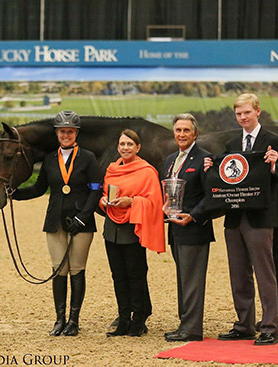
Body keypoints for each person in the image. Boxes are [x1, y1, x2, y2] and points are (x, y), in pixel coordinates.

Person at [204, 93, 278, 346]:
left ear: (258, 111)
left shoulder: (273, 141)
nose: (243, 117)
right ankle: (244, 325)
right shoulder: (231, 144)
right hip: (234, 217)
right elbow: (228, 177)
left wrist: (274, 165)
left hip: (260, 217)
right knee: (238, 273)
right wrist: (211, 168)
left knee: (265, 273)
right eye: (239, 114)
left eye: (247, 113)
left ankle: (270, 328)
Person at [12, 110, 102, 337]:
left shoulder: (88, 158)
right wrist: (14, 194)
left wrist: (83, 217)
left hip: (81, 222)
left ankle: (74, 320)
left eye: (70, 131)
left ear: (76, 133)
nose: (66, 135)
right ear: (57, 133)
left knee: (77, 269)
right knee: (58, 270)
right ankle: (59, 319)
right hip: (55, 221)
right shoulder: (51, 159)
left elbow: (95, 190)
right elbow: (39, 188)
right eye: (62, 131)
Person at [100, 129, 165, 337]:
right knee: (118, 276)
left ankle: (139, 319)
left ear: (138, 148)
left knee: (136, 275)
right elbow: (105, 193)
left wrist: (133, 201)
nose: (125, 148)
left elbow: (155, 202)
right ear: (117, 147)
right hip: (112, 229)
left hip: (133, 228)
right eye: (122, 144)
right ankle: (123, 319)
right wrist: (103, 201)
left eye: (129, 144)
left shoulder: (147, 171)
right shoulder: (112, 169)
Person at [162, 114, 215, 342]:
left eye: (186, 130)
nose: (181, 134)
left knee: (192, 280)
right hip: (175, 228)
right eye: (178, 130)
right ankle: (185, 323)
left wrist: (193, 216)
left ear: (195, 134)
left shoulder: (204, 159)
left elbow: (210, 195)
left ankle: (192, 329)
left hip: (194, 227)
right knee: (183, 279)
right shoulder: (171, 160)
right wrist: (165, 206)